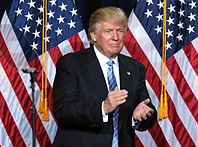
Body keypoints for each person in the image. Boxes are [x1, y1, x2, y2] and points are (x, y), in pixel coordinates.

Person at [52, 7, 157, 147]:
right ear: (93, 36)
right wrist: (103, 108)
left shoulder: (134, 67)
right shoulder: (71, 64)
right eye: (109, 31)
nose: (115, 37)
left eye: (120, 31)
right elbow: (63, 111)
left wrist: (142, 115)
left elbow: (145, 105)